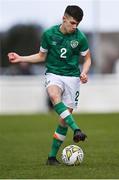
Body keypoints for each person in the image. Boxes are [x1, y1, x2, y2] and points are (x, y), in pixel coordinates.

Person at [8, 5, 91, 165]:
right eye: (72, 23)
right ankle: (77, 129)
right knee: (53, 95)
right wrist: (20, 58)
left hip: (73, 78)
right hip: (54, 74)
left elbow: (87, 59)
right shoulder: (49, 34)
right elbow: (41, 56)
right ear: (64, 19)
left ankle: (51, 157)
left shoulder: (80, 38)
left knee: (63, 120)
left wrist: (85, 72)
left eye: (77, 24)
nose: (75, 27)